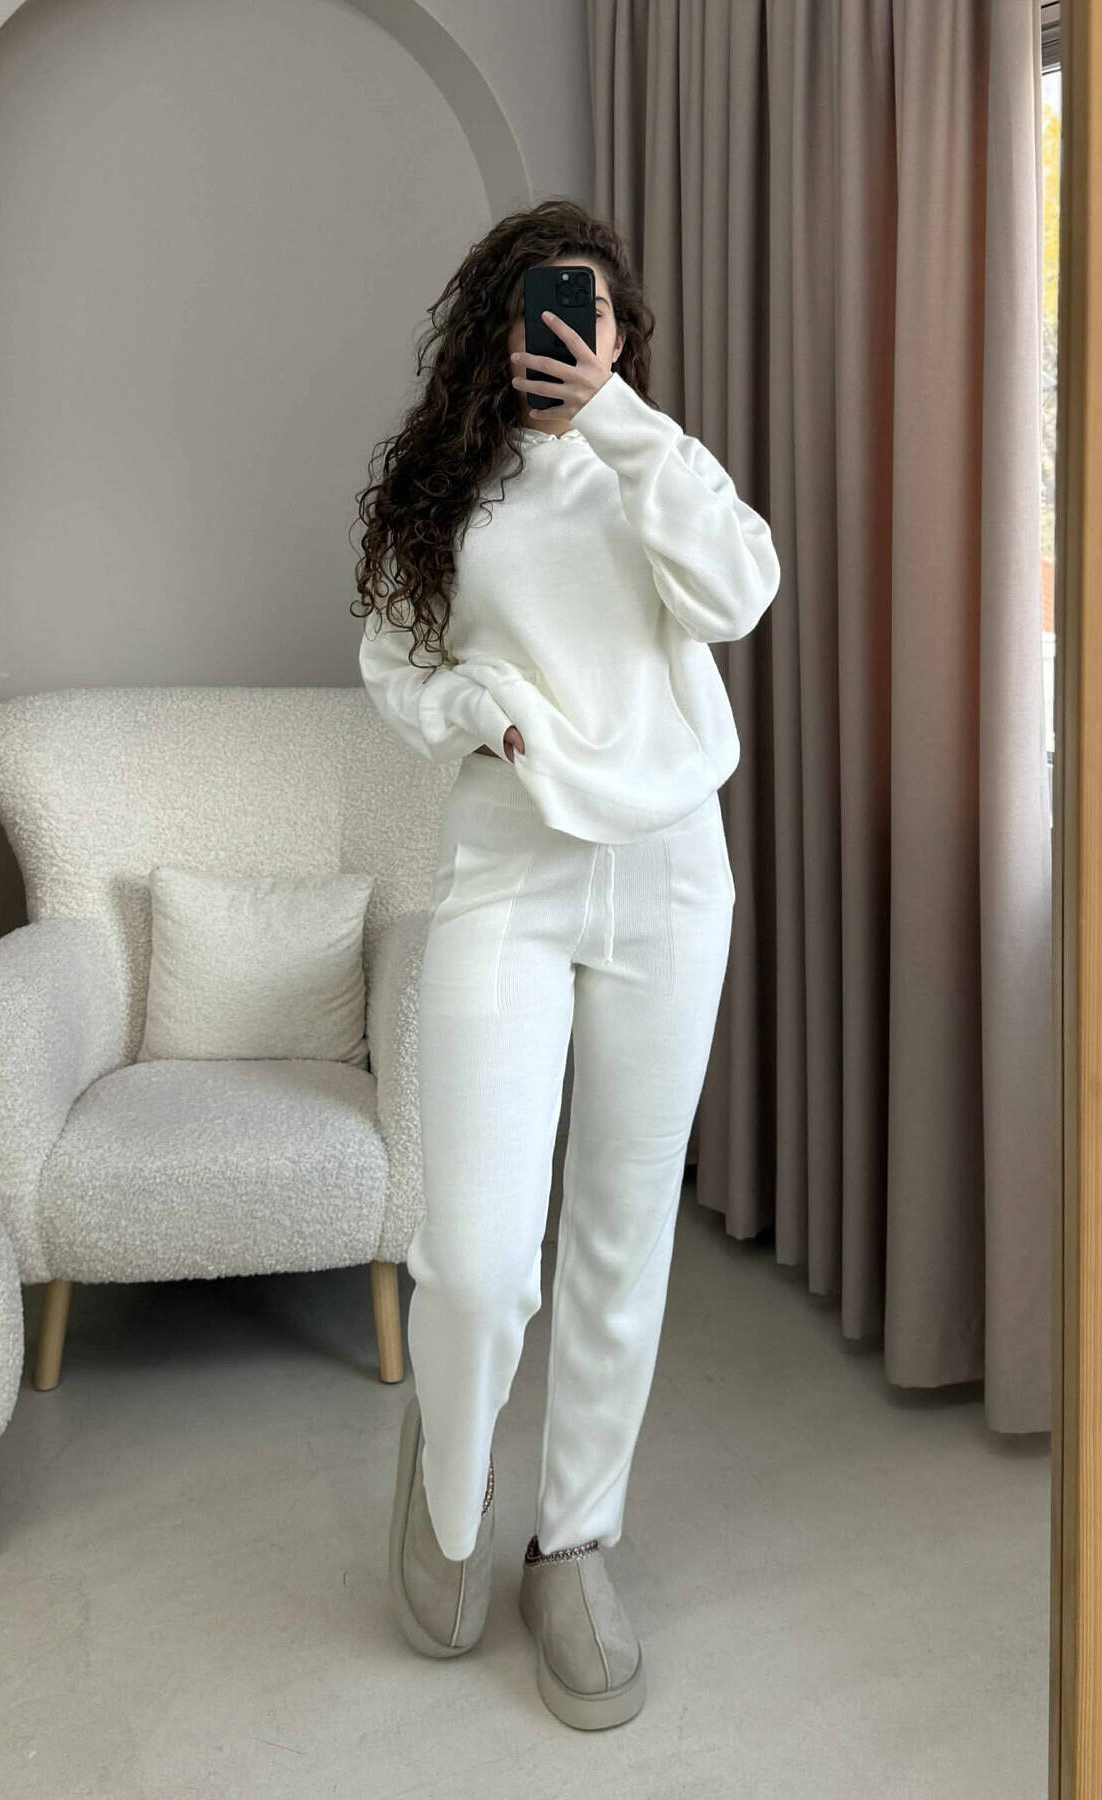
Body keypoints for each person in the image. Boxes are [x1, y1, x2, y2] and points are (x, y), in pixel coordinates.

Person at [352, 198, 780, 1731]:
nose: (572, 335)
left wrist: (626, 422)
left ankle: (576, 1541)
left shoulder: (651, 464)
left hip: (668, 872)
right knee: (477, 1262)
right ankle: (449, 1483)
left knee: (620, 1231)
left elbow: (739, 591)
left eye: (595, 314)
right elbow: (392, 662)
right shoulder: (445, 490)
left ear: (621, 331)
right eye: (548, 308)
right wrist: (474, 707)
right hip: (508, 867)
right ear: (499, 322)